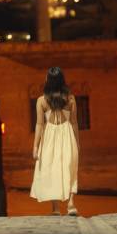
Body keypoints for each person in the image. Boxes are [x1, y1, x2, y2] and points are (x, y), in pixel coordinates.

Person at [30, 67, 80, 216]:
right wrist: (77, 142)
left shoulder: (41, 101)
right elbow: (74, 122)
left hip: (49, 136)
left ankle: (56, 208)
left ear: (48, 81)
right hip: (66, 134)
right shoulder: (70, 98)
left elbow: (39, 124)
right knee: (70, 166)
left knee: (52, 169)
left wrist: (35, 146)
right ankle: (71, 204)